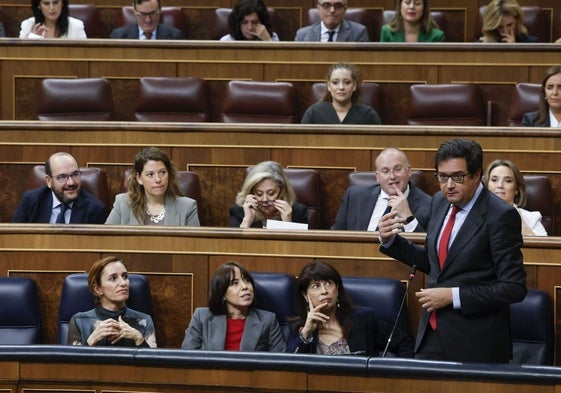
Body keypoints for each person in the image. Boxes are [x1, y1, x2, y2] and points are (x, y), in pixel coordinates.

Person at [378, 138, 527, 363]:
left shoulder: (500, 216)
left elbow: (513, 288)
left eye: (457, 177)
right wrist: (391, 241)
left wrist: (453, 296)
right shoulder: (439, 202)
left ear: (477, 175)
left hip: (476, 345)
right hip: (431, 334)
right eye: (442, 176)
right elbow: (436, 263)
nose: (449, 185)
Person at [288, 260, 414, 357]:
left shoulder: (363, 318)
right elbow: (287, 367)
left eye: (328, 283)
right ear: (305, 295)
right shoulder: (298, 328)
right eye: (316, 286)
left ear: (337, 288)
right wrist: (306, 334)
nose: (324, 291)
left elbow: (404, 342)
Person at [181, 261, 286, 352]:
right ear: (222, 294)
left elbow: (281, 362)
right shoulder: (201, 317)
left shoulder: (268, 320)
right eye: (235, 283)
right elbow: (188, 359)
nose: (245, 287)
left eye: (246, 280)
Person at [332, 148, 431, 231]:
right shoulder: (354, 197)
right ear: (377, 176)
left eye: (398, 169)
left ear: (409, 171)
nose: (392, 176)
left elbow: (429, 248)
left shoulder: (429, 205)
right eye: (385, 171)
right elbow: (335, 238)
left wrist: (409, 218)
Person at [67, 256, 157, 347]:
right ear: (98, 289)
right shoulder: (79, 321)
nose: (123, 283)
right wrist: (91, 341)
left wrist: (139, 339)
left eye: (125, 276)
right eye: (113, 278)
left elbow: (154, 360)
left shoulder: (144, 320)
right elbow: (70, 360)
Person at [105, 147, 199, 226]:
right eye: (150, 174)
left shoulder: (187, 207)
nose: (158, 179)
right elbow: (107, 241)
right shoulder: (122, 203)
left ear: (169, 174)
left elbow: (194, 246)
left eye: (162, 172)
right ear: (139, 178)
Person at [12, 152, 106, 224]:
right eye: (62, 177)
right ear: (49, 181)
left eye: (75, 174)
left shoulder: (95, 208)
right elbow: (15, 238)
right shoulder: (31, 201)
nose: (71, 182)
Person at [229, 161, 308, 228]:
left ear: (282, 191)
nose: (265, 199)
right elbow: (232, 245)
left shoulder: (298, 212)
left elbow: (302, 246)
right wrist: (247, 221)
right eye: (259, 194)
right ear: (251, 192)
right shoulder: (240, 211)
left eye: (271, 193)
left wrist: (287, 223)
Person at [301, 63, 381, 125]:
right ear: (329, 86)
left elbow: (380, 143)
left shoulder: (368, 114)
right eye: (335, 83)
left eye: (347, 82)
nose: (341, 87)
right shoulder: (313, 113)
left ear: (354, 86)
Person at [484, 159, 547, 236]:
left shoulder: (532, 218)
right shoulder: (473, 214)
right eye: (494, 180)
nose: (500, 185)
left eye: (508, 181)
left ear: (516, 189)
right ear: (487, 186)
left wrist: (519, 220)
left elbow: (542, 246)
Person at [295, 0, 368, 42]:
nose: (332, 10)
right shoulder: (302, 35)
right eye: (326, 5)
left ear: (345, 10)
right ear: (318, 9)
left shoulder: (359, 33)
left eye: (338, 6)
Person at [110, 0, 185, 40]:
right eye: (142, 14)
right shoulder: (119, 36)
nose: (148, 20)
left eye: (153, 14)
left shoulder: (175, 37)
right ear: (135, 11)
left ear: (160, 10)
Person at [20, 0, 87, 39]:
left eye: (55, 2)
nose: (52, 8)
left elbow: (84, 54)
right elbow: (21, 57)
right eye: (46, 3)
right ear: (39, 5)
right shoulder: (27, 25)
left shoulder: (76, 26)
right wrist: (34, 38)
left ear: (62, 3)